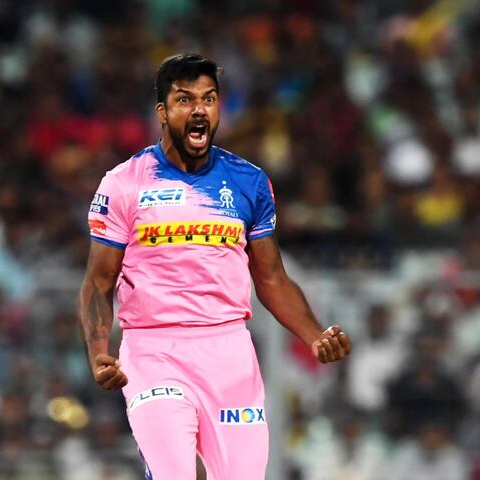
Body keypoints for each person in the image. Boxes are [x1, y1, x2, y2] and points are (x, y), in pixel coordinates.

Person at [78, 54, 352, 479]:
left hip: (229, 354)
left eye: (209, 98)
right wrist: (99, 354)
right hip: (154, 353)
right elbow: (98, 282)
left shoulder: (249, 182)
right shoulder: (124, 182)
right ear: (163, 112)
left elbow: (271, 277)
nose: (199, 109)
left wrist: (314, 335)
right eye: (184, 99)